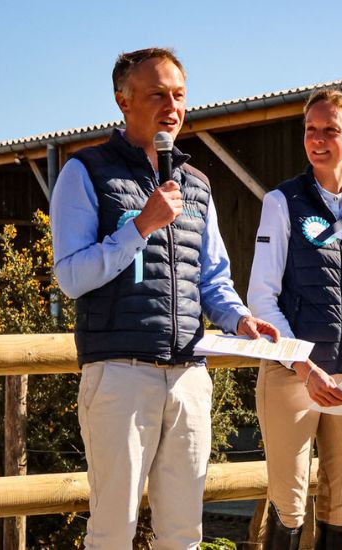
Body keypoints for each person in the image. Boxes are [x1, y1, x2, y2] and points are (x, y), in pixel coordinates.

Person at [50, 47, 278, 549]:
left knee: (183, 533)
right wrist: (140, 226)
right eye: (157, 95)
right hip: (119, 374)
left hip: (189, 377)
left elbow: (213, 277)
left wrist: (241, 320)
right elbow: (71, 276)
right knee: (112, 531)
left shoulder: (196, 183)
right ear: (123, 101)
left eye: (179, 95)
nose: (172, 107)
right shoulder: (84, 172)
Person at [246, 88, 342, 550]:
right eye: (309, 130)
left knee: (341, 507)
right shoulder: (281, 202)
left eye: (329, 130)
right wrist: (302, 366)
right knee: (289, 505)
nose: (316, 139)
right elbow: (261, 299)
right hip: (293, 377)